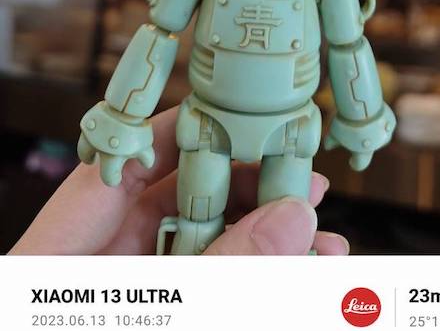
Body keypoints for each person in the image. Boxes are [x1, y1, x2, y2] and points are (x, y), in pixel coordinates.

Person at [9, 106, 349, 256]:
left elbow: (348, 46)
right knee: (198, 219)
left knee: (285, 210)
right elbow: (158, 35)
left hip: (288, 124)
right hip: (211, 120)